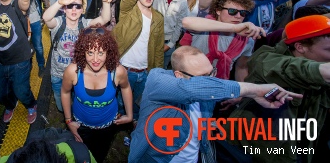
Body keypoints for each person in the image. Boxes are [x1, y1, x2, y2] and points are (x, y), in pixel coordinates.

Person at [128, 46, 303, 163]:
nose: (211, 80)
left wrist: (205, 125)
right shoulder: (157, 81)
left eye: (212, 72)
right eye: (203, 77)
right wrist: (254, 90)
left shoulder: (207, 92)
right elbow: (192, 90)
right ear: (179, 75)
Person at [224, 15, 330, 163]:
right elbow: (292, 69)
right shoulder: (266, 59)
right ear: (300, 47)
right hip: (250, 152)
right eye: (329, 49)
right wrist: (322, 70)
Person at [113, 0, 182, 121]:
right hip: (124, 69)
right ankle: (115, 123)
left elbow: (158, 49)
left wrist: (155, 73)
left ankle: (133, 129)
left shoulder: (158, 17)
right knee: (120, 103)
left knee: (139, 104)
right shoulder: (127, 9)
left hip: (144, 72)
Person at [61, 28, 133, 163]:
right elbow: (65, 92)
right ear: (83, 51)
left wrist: (130, 115)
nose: (95, 59)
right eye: (90, 52)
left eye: (101, 53)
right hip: (81, 126)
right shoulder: (73, 71)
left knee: (99, 154)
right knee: (81, 155)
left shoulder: (117, 71)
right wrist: (68, 121)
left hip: (108, 126)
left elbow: (126, 87)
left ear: (108, 52)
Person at [43, 0, 115, 111]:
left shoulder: (85, 24)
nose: (74, 10)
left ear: (83, 10)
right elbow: (46, 17)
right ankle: (65, 113)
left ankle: (75, 114)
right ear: (64, 9)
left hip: (79, 74)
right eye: (70, 6)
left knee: (77, 99)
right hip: (58, 74)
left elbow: (104, 19)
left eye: (78, 6)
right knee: (61, 100)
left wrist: (106, 3)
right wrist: (59, 3)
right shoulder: (58, 23)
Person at [181, 0, 259, 81]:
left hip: (220, 83)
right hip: (189, 80)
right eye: (232, 11)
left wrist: (241, 92)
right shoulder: (204, 27)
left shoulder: (247, 39)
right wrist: (234, 28)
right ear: (218, 10)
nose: (238, 16)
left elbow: (241, 67)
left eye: (243, 13)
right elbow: (186, 22)